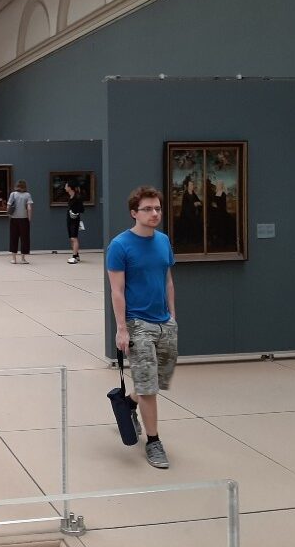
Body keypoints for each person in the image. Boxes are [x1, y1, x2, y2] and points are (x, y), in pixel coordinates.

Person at [106, 185, 178, 469]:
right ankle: (154, 441)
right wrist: (121, 329)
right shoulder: (120, 246)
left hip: (164, 323)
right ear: (134, 213)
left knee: (155, 382)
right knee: (149, 389)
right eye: (147, 209)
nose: (154, 213)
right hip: (138, 324)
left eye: (157, 208)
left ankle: (129, 404)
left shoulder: (163, 241)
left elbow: (168, 280)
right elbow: (117, 291)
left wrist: (172, 316)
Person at [8, 180, 34, 264]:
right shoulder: (27, 195)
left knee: (13, 238)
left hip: (14, 219)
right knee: (24, 239)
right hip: (24, 219)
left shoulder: (13, 194)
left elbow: (8, 206)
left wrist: (10, 215)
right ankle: (23, 259)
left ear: (17, 186)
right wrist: (29, 218)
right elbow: (29, 208)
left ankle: (14, 259)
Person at [65, 181, 84, 264]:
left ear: (70, 187)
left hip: (75, 220)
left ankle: (74, 257)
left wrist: (74, 212)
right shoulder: (70, 196)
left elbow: (82, 209)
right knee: (71, 238)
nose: (65, 187)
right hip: (69, 219)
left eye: (66, 186)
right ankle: (76, 255)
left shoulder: (77, 197)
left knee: (74, 238)